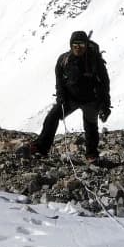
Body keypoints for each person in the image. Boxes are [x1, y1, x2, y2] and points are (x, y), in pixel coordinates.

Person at [20, 30, 112, 161]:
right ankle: (41, 148)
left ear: (86, 45)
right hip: (70, 98)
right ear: (71, 45)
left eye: (81, 45)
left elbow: (104, 84)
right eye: (75, 45)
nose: (78, 48)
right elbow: (60, 81)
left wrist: (105, 105)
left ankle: (91, 154)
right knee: (52, 116)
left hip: (91, 99)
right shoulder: (64, 60)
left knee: (90, 126)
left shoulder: (95, 61)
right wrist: (61, 97)